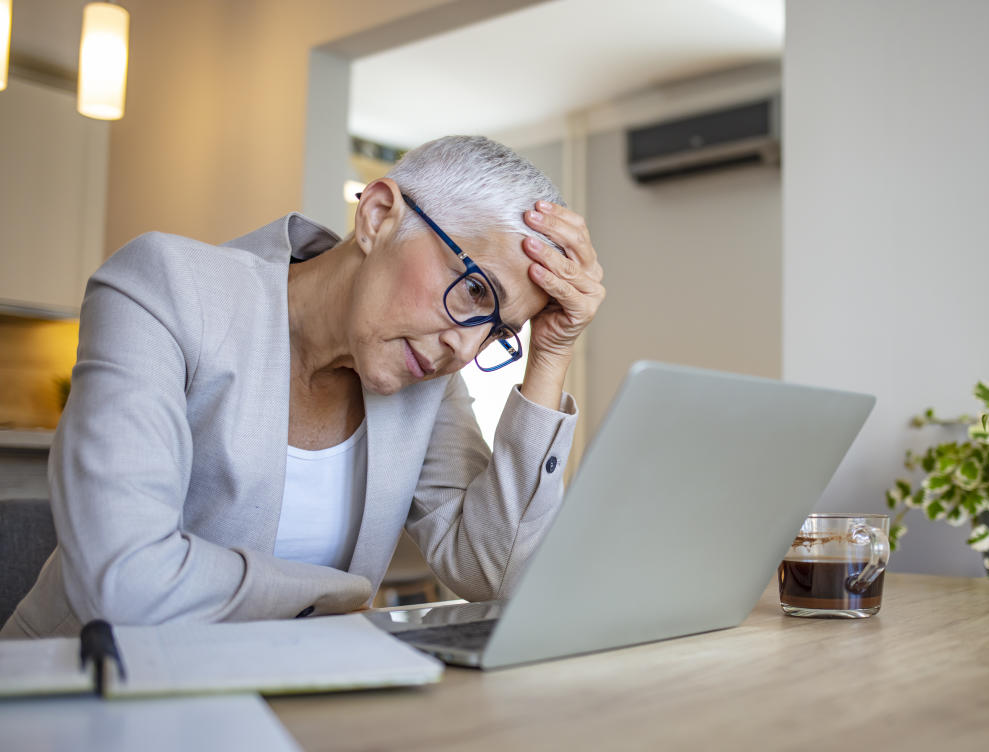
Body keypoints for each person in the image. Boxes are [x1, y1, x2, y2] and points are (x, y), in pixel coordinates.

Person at [1, 136, 605, 639]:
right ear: (376, 216)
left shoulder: (424, 374)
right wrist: (339, 595)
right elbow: (122, 581)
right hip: (78, 699)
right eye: (476, 291)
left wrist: (550, 353)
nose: (465, 348)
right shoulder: (168, 289)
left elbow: (495, 571)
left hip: (291, 706)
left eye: (499, 333)